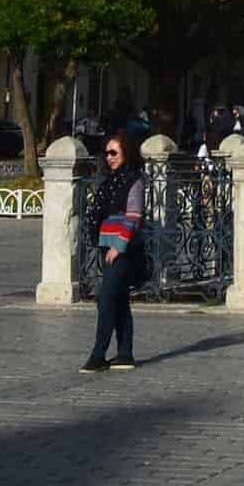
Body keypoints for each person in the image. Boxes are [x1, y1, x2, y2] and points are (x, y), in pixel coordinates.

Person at [80, 132, 145, 373]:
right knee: (119, 301)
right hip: (107, 247)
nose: (109, 158)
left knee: (105, 298)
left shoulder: (133, 181)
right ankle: (125, 353)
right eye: (107, 153)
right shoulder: (109, 181)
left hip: (123, 251)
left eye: (114, 153)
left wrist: (118, 247)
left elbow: (133, 217)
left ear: (125, 153)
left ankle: (98, 354)